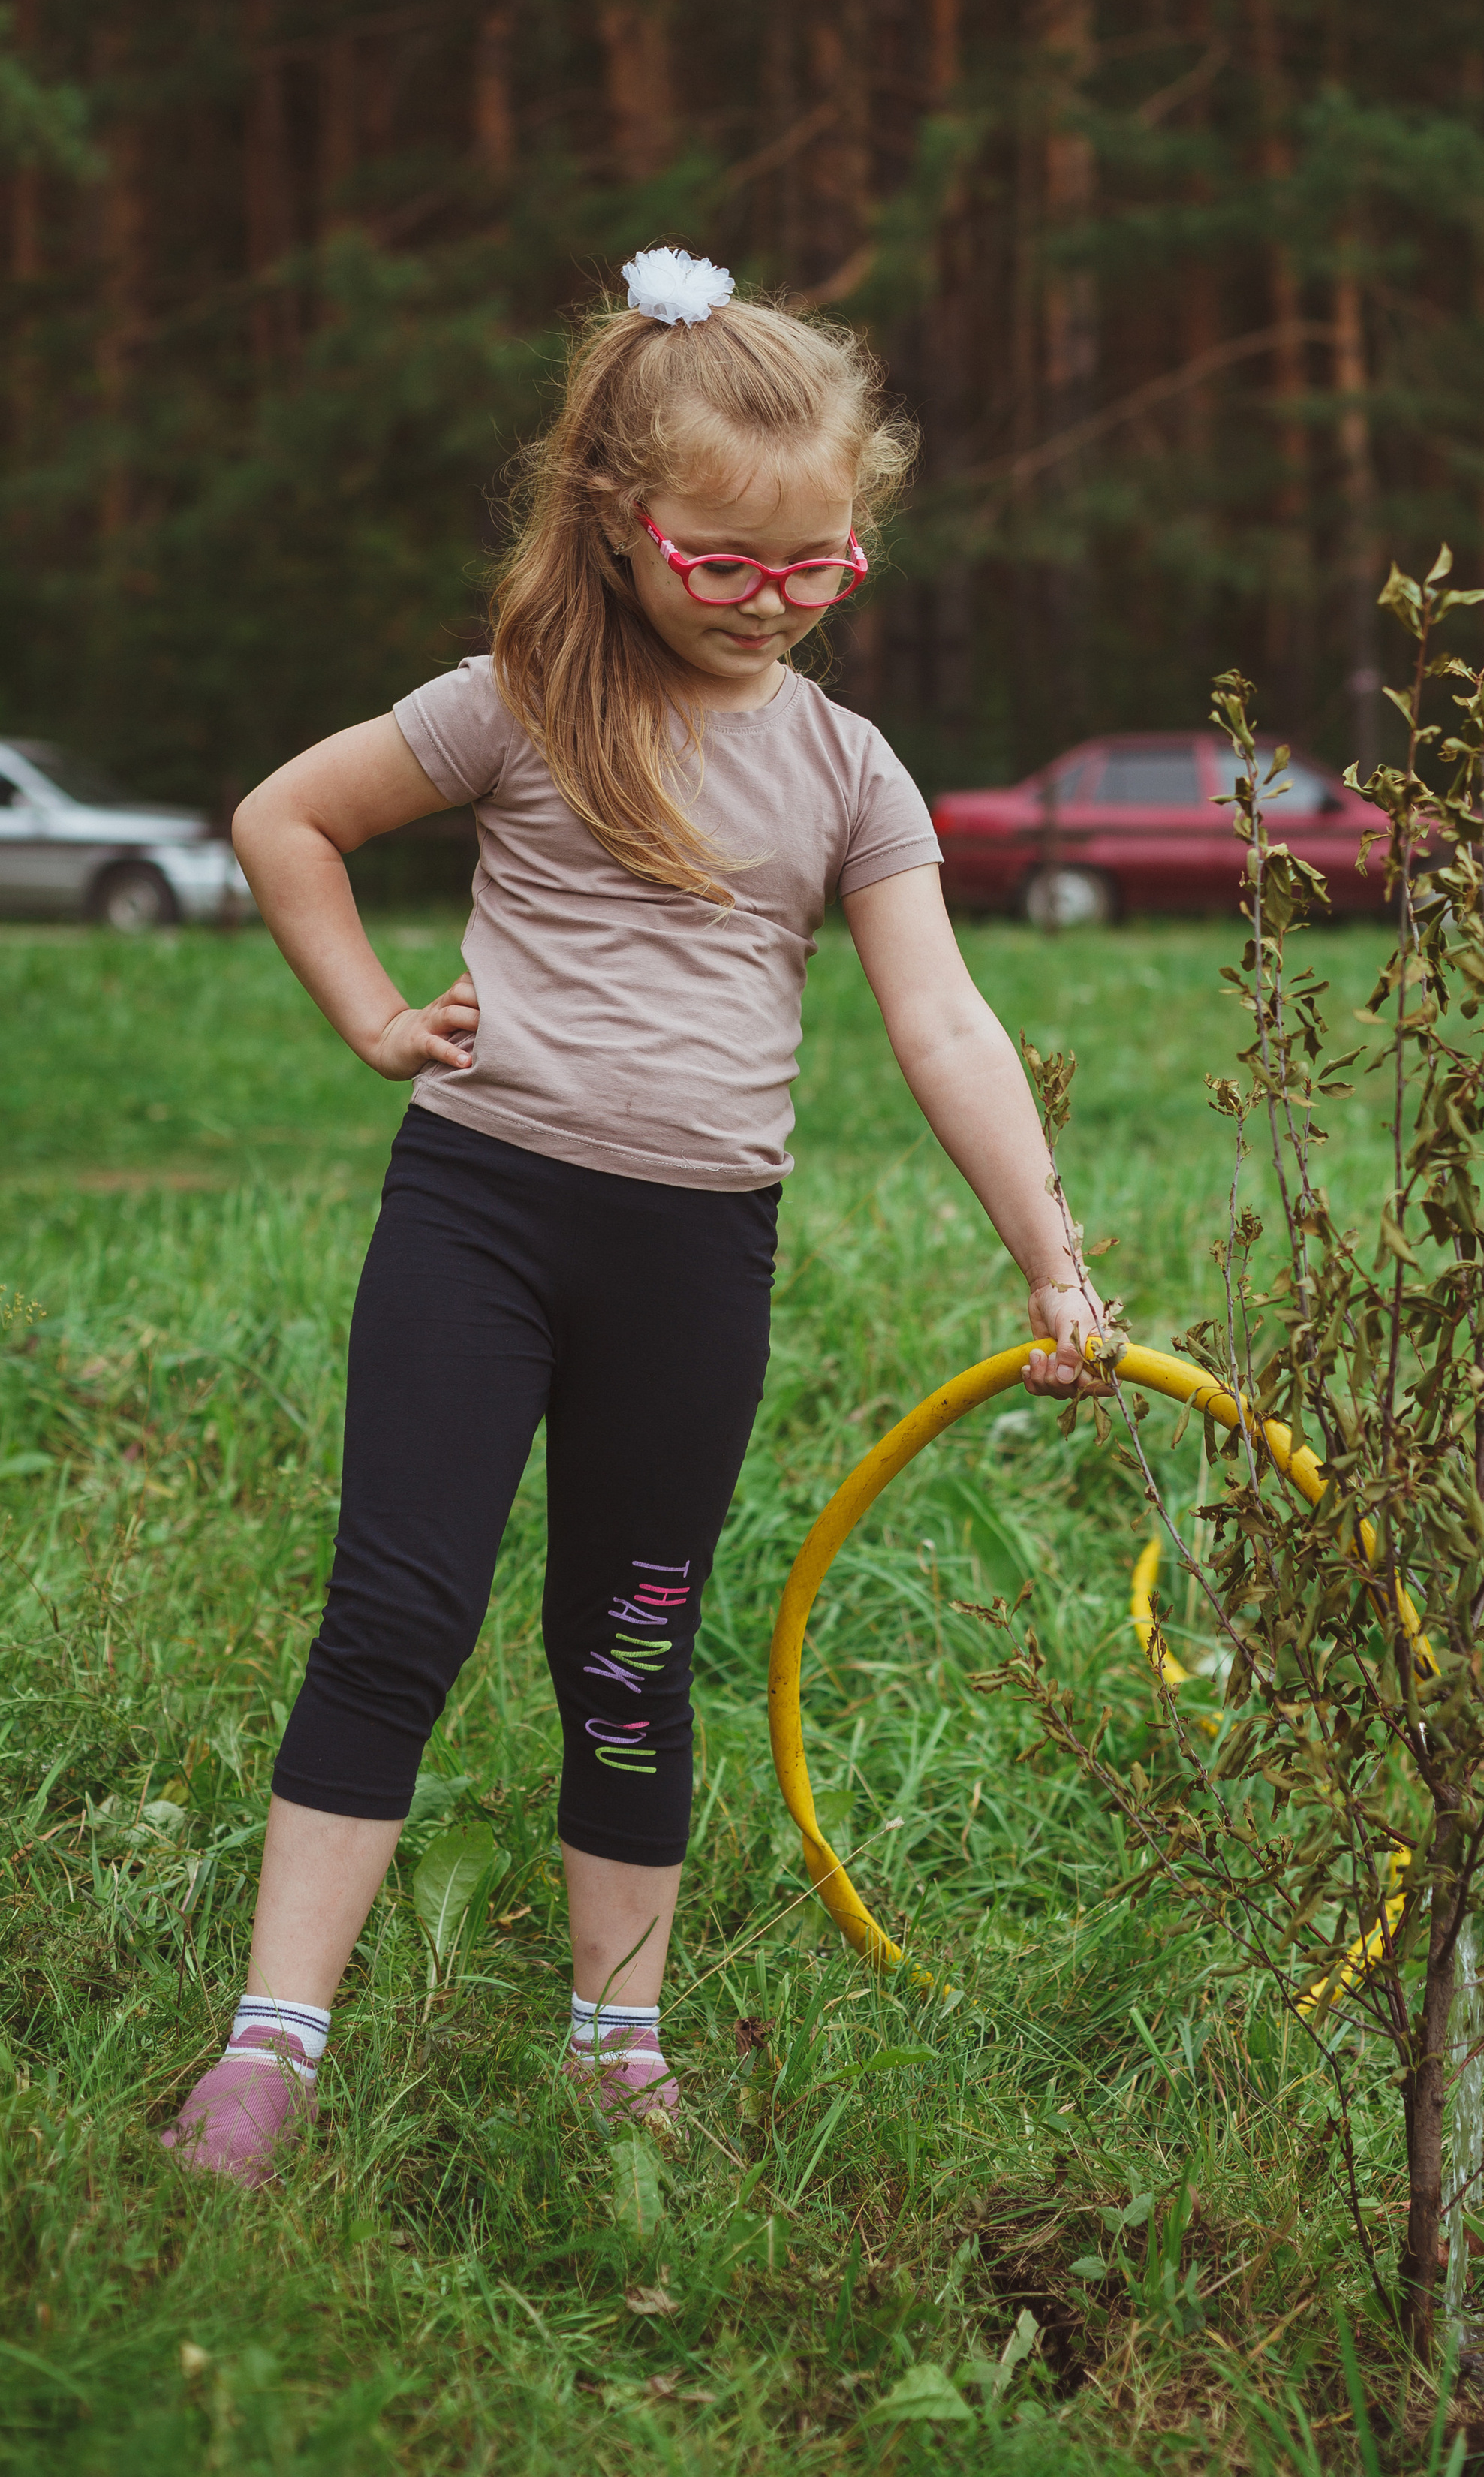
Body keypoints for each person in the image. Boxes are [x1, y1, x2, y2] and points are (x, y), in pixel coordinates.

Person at [161, 250, 1102, 2187]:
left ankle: (618, 2044)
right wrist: (370, 1013)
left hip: (691, 1262)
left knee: (631, 1642)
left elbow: (939, 1018)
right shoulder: (521, 702)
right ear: (625, 524)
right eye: (725, 566)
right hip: (480, 1220)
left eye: (817, 569)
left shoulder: (850, 769)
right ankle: (272, 2044)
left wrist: (1051, 1258)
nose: (772, 606)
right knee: (397, 1616)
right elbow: (285, 817)